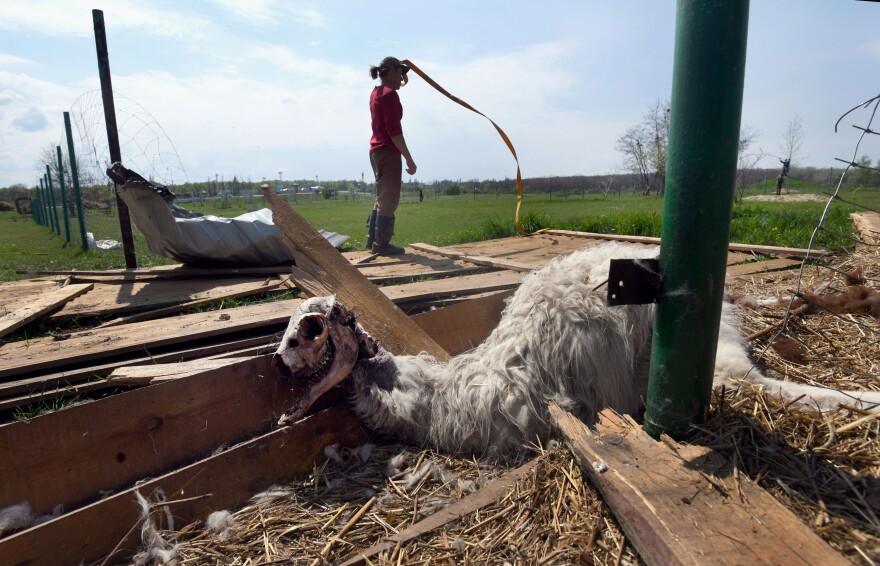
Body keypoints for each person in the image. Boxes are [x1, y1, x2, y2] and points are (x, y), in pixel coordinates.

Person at [366, 56, 417, 255]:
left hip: (376, 151)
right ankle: (382, 245)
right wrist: (409, 159)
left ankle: (373, 241)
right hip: (388, 151)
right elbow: (394, 131)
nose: (402, 79)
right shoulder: (389, 95)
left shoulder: (376, 92)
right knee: (389, 199)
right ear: (393, 71)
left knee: (381, 197)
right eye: (401, 73)